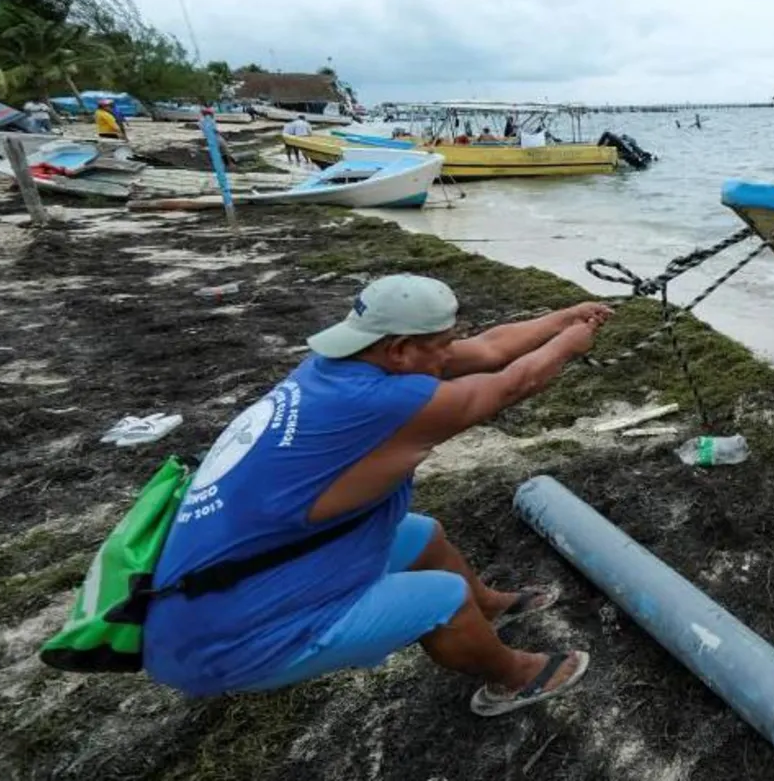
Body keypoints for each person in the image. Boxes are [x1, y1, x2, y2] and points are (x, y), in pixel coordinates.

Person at [144, 274, 611, 714]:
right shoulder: (383, 402)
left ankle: (488, 608)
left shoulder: (335, 369)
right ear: (401, 349)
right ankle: (514, 677)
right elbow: (512, 385)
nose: (449, 353)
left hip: (221, 587)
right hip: (225, 642)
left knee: (421, 535)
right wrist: (569, 345)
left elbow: (489, 349)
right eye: (442, 344)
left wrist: (561, 318)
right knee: (442, 598)